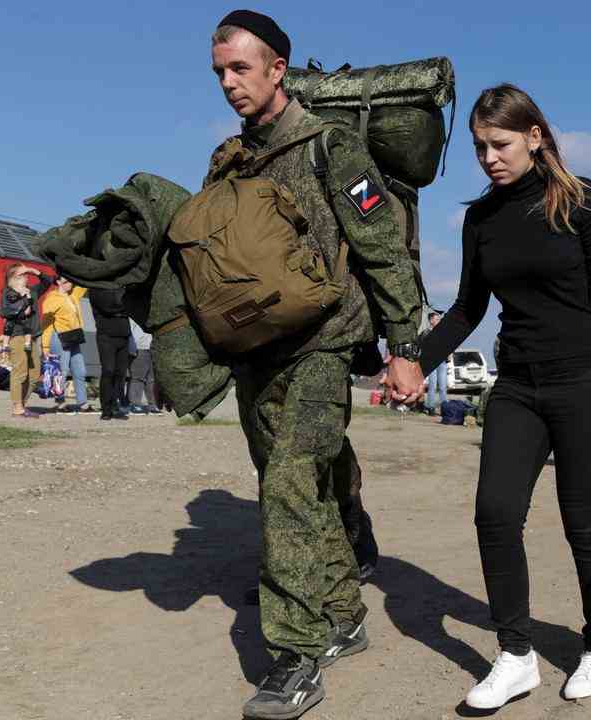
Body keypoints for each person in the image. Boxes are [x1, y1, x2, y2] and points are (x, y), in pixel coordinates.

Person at [385, 83, 591, 710]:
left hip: (590, 382)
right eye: (480, 146)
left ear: (535, 137)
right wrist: (413, 360)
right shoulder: (480, 219)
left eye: (500, 144)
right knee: (494, 512)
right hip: (517, 385)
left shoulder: (581, 202)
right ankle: (515, 656)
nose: (489, 157)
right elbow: (466, 311)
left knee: (583, 523)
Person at [206, 12, 423, 719]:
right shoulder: (228, 159)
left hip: (324, 346)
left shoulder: (334, 149)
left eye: (241, 68)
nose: (229, 83)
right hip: (255, 351)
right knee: (299, 483)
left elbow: (382, 249)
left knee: (292, 487)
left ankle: (295, 657)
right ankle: (342, 612)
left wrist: (405, 350)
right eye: (219, 72)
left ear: (278, 69)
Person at [0, 265, 49, 417]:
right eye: (23, 274)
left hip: (32, 336)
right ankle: (17, 407)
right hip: (17, 336)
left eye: (27, 274)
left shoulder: (32, 291)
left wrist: (34, 270)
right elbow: (12, 311)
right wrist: (24, 298)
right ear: (13, 277)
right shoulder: (8, 293)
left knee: (34, 375)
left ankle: (22, 404)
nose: (27, 277)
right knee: (20, 372)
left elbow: (47, 282)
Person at [41, 276, 94, 414]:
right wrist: (45, 346)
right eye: (67, 281)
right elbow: (46, 323)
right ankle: (60, 403)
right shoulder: (52, 298)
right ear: (58, 282)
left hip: (74, 337)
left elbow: (84, 283)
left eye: (71, 280)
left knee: (80, 371)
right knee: (61, 372)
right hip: (59, 338)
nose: (71, 283)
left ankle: (83, 403)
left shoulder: (73, 296)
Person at [88, 286, 132, 420]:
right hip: (106, 336)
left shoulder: (122, 288)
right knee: (108, 370)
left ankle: (115, 404)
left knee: (121, 373)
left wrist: (122, 310)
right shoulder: (96, 289)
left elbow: (131, 306)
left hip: (123, 334)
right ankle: (106, 408)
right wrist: (123, 310)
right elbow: (108, 307)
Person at [126, 318, 160, 414]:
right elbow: (130, 332)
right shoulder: (132, 315)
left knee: (151, 378)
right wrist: (132, 349)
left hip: (153, 347)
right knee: (138, 378)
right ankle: (135, 404)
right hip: (139, 347)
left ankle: (153, 404)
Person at [419, 311, 449, 412]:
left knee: (443, 386)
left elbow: (448, 345)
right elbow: (421, 347)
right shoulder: (426, 333)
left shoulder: (443, 332)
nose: (439, 321)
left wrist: (449, 354)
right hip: (431, 363)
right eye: (437, 319)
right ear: (431, 320)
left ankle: (445, 408)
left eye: (439, 320)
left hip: (442, 362)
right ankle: (431, 407)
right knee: (432, 386)